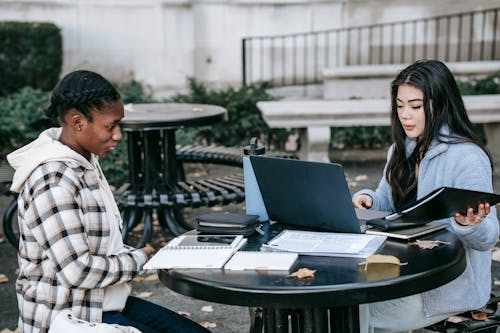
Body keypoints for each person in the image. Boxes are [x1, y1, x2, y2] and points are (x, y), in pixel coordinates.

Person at [7, 70, 210, 333]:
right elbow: (77, 271)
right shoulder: (54, 181)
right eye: (110, 126)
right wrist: (139, 259)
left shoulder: (85, 162)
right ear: (78, 122)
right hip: (65, 316)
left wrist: (152, 256)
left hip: (101, 301)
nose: (118, 136)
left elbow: (96, 246)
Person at [352, 60, 499, 332]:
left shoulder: (467, 157)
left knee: (354, 316)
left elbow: (488, 236)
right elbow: (387, 203)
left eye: (416, 106)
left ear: (440, 104)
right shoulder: (400, 149)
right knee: (345, 305)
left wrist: (470, 224)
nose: (405, 115)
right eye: (399, 105)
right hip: (402, 273)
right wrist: (369, 200)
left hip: (445, 287)